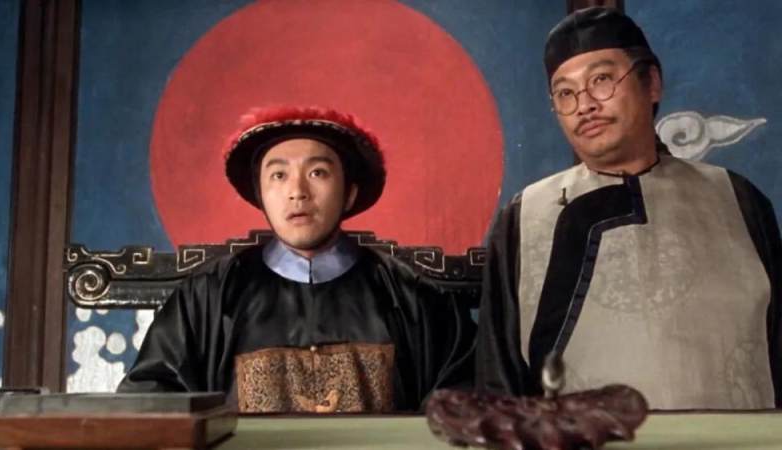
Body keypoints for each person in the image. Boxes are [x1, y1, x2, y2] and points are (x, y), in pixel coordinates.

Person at [476, 7, 781, 409]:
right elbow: (499, 384)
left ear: (651, 83)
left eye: (601, 80)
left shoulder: (737, 199)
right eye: (565, 93)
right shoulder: (524, 217)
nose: (584, 105)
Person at [119, 106, 476, 413]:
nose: (297, 192)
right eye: (278, 175)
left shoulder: (412, 298)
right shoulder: (209, 298)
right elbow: (152, 402)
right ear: (261, 195)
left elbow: (465, 400)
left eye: (317, 172)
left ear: (349, 193)